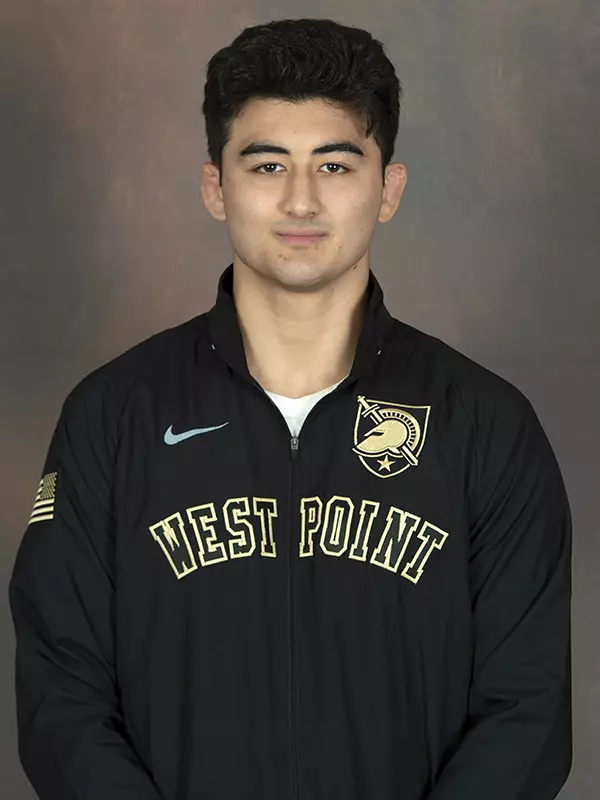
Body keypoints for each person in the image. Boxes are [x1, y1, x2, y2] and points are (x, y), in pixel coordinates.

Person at [8, 16, 572, 800]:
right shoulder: (113, 418)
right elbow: (60, 698)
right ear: (216, 187)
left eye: (336, 165)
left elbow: (529, 711)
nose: (301, 200)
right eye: (267, 164)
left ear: (388, 188)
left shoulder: (486, 427)